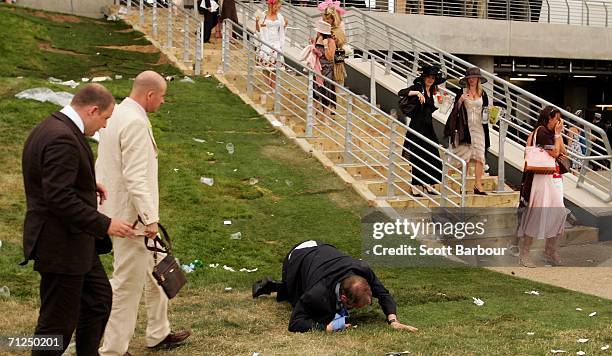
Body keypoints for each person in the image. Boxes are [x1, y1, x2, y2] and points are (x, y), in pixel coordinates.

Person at [21, 84, 136, 355]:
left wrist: (86, 184)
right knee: (56, 326)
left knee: (97, 300)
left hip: (75, 243)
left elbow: (52, 180)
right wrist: (105, 224)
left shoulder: (52, 126)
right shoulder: (62, 138)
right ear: (92, 110)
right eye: (105, 118)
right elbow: (58, 198)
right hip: (61, 245)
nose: (104, 126)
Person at [97, 71, 190, 355]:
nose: (162, 102)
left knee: (159, 271)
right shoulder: (135, 122)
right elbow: (135, 176)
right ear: (150, 94)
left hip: (120, 211)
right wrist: (150, 219)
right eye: (162, 97)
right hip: (132, 219)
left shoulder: (118, 114)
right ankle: (112, 349)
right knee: (127, 284)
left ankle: (158, 333)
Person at [252, 241, 418, 333]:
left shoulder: (363, 271)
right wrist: (325, 327)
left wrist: (393, 320)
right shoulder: (319, 292)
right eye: (355, 307)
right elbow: (295, 323)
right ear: (344, 298)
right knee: (298, 298)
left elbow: (384, 295)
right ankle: (274, 286)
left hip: (324, 249)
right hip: (298, 256)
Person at [516, 106, 568, 268]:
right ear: (549, 118)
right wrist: (558, 135)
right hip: (540, 179)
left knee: (558, 214)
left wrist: (558, 136)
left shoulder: (551, 134)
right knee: (536, 214)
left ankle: (549, 251)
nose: (559, 122)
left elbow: (563, 153)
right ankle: (525, 253)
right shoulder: (543, 132)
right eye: (556, 119)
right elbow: (555, 153)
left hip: (550, 178)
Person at [398, 64, 446, 196]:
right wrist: (417, 93)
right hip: (417, 126)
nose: (431, 80)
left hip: (428, 127)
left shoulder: (434, 92)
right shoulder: (419, 88)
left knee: (433, 156)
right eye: (428, 77)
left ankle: (429, 183)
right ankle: (416, 185)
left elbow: (433, 108)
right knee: (417, 156)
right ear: (424, 78)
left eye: (433, 78)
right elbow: (401, 92)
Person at [445, 67, 491, 195]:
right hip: (465, 128)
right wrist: (460, 101)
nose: (472, 80)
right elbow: (455, 110)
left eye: (474, 78)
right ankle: (462, 185)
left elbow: (486, 110)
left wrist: (491, 116)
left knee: (480, 156)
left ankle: (478, 184)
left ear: (478, 79)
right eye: (469, 78)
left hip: (480, 127)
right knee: (464, 156)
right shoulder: (462, 91)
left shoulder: (483, 94)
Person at [255, 0, 287, 90]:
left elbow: (281, 32)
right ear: (271, 5)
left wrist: (285, 26)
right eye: (277, 6)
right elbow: (258, 30)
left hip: (276, 44)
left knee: (275, 69)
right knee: (265, 68)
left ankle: (272, 88)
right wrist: (256, 21)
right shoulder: (263, 16)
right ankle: (267, 87)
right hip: (266, 42)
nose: (278, 8)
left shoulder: (280, 17)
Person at [312, 19, 336, 118]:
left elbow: (330, 57)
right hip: (317, 68)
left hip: (327, 69)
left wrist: (325, 46)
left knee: (326, 92)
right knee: (315, 91)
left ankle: (325, 116)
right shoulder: (317, 38)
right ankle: (313, 115)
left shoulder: (331, 41)